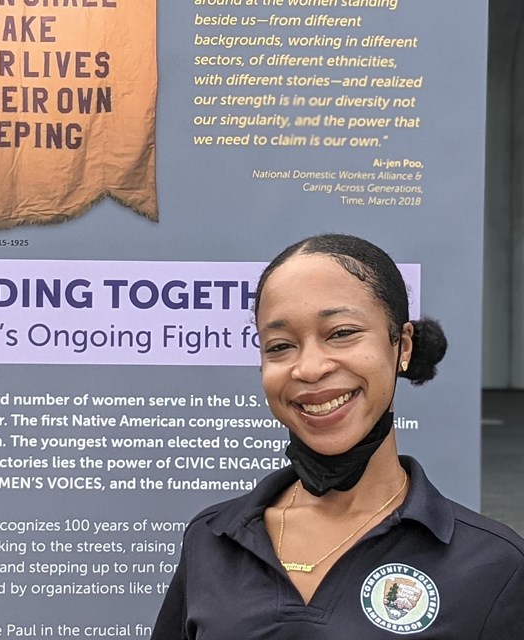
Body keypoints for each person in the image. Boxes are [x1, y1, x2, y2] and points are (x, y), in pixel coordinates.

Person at [150, 234, 524, 639]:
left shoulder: (493, 564)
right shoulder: (212, 538)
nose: (309, 368)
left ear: (402, 346)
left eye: (341, 332)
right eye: (280, 345)